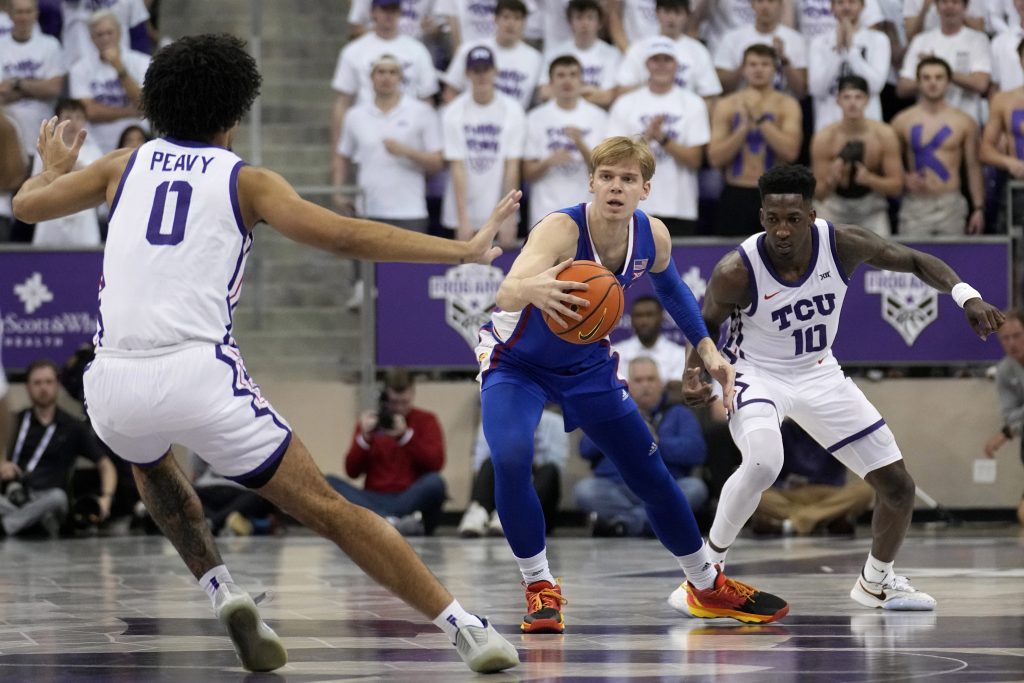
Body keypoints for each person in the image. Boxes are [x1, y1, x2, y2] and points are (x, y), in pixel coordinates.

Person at [12, 34, 520, 674]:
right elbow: (342, 236)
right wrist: (461, 250)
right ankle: (465, 627)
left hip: (109, 381)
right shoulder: (246, 181)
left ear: (158, 106)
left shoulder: (123, 164)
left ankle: (222, 592)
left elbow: (27, 204)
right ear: (234, 115)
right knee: (329, 510)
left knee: (152, 465)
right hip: (198, 372)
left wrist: (54, 166)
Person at [476, 135, 789, 635]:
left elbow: (674, 290)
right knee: (511, 459)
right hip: (518, 363)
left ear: (645, 189)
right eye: (606, 177)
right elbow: (508, 288)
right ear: (592, 183)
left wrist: (708, 351)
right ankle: (540, 587)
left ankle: (705, 586)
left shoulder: (653, 236)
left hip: (586, 366)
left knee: (651, 472)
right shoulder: (561, 228)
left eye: (627, 179)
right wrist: (532, 287)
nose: (615, 188)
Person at [676, 164, 1003, 614]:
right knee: (763, 462)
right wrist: (693, 370)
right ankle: (705, 576)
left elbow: (912, 260)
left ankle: (876, 581)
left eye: (792, 218)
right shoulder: (737, 268)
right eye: (772, 219)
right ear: (762, 217)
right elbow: (704, 323)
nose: (782, 230)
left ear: (811, 215)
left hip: (820, 372)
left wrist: (967, 296)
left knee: (898, 486)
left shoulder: (843, 243)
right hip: (757, 373)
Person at [575, 356, 709, 536]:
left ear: (661, 383)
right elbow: (585, 450)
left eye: (650, 379)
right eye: (638, 380)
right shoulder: (611, 412)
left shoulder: (678, 413)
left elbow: (696, 451)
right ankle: (651, 523)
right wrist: (614, 423)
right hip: (618, 489)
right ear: (627, 384)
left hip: (665, 487)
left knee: (696, 488)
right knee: (585, 490)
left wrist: (655, 443)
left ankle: (624, 524)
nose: (645, 385)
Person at [1, 359, 118, 538]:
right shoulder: (16, 421)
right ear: (28, 387)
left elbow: (106, 465)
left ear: (57, 385)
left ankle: (7, 526)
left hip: (50, 501)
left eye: (48, 382)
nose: (43, 388)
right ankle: (27, 524)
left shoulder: (73, 427)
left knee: (58, 497)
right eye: (37, 383)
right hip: (15, 498)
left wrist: (106, 498)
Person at [607, 39, 710, 236]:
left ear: (676, 65)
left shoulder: (693, 103)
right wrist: (646, 138)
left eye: (667, 60)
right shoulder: (625, 104)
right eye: (656, 60)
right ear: (647, 65)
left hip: (679, 206)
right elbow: (612, 159)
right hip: (634, 206)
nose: (661, 65)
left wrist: (662, 138)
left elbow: (695, 159)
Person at [327, 369, 447, 536]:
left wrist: (405, 437)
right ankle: (391, 521)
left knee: (435, 482)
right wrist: (365, 438)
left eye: (404, 402)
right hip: (373, 496)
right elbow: (352, 471)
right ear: (385, 398)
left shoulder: (427, 420)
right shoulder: (372, 423)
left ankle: (380, 521)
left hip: (409, 496)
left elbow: (436, 463)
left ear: (412, 393)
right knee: (328, 482)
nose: (399, 408)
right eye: (394, 402)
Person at [332, 54, 442, 231]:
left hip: (410, 211)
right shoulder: (355, 115)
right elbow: (342, 155)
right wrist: (338, 192)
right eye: (381, 72)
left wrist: (407, 152)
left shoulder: (422, 112)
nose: (386, 77)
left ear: (400, 78)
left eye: (392, 72)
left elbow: (437, 162)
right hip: (368, 210)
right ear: (371, 77)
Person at [708, 43, 801, 237]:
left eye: (765, 64)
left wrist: (760, 118)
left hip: (774, 194)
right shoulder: (727, 105)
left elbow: (790, 152)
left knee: (778, 258)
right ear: (743, 69)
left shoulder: (787, 104)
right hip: (736, 192)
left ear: (775, 69)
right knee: (732, 261)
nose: (758, 69)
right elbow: (715, 158)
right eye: (752, 64)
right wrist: (742, 129)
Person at [441, 45, 524, 246]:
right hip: (462, 210)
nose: (481, 76)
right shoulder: (453, 111)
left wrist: (508, 216)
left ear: (495, 71)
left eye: (486, 70)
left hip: (499, 205)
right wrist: (463, 219)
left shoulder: (513, 110)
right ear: (467, 73)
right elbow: (457, 166)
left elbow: (511, 166)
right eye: (476, 71)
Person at [891, 56, 983, 236]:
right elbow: (889, 162)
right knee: (908, 262)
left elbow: (973, 167)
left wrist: (978, 208)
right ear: (918, 82)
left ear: (949, 82)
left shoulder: (964, 122)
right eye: (926, 78)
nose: (933, 83)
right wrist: (904, 178)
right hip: (915, 205)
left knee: (951, 263)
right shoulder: (901, 121)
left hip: (951, 205)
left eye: (939, 77)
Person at [329, 0, 438, 153]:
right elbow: (342, 101)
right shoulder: (354, 51)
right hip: (366, 132)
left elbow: (427, 99)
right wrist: (337, 147)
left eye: (393, 9)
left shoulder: (417, 50)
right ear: (373, 12)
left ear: (400, 12)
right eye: (384, 9)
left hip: (408, 133)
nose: (388, 15)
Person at [810, 75, 903, 236]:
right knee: (822, 249)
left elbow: (897, 186)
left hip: (872, 206)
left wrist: (870, 179)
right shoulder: (824, 137)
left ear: (867, 100)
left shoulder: (884, 135)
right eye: (847, 97)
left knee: (885, 256)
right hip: (833, 204)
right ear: (838, 100)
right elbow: (818, 194)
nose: (853, 103)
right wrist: (832, 179)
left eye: (858, 97)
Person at [750, 419, 875, 536]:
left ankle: (797, 521)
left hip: (826, 495)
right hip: (790, 494)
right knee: (753, 492)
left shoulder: (834, 432)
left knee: (867, 489)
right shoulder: (781, 430)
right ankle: (820, 519)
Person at [524, 55, 607, 229]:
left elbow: (606, 172)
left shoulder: (599, 117)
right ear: (551, 82)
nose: (567, 80)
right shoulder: (535, 118)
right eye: (561, 75)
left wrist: (581, 144)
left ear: (581, 80)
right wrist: (548, 161)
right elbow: (527, 174)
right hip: (545, 213)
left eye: (573, 74)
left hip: (587, 214)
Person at [459, 404, 566, 537]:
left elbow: (557, 466)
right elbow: (478, 465)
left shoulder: (555, 423)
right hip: (502, 489)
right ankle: (480, 512)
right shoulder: (493, 419)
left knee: (550, 470)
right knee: (491, 461)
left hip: (534, 494)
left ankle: (514, 515)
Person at [68, 10, 150, 153]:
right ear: (92, 38)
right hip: (97, 145)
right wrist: (131, 112)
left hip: (135, 143)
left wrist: (119, 68)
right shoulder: (79, 68)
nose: (105, 38)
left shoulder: (142, 62)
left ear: (119, 33)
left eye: (109, 33)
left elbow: (143, 104)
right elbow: (89, 111)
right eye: (99, 34)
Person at [896, 0, 990, 122]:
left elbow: (980, 84)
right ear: (936, 6)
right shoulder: (920, 41)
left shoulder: (978, 40)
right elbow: (902, 88)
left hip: (966, 119)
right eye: (944, 2)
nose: (949, 7)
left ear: (965, 7)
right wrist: (929, 78)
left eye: (955, 2)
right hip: (927, 122)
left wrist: (938, 65)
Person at [614, 0, 722, 104]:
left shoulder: (698, 51)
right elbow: (622, 90)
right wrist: (655, 87)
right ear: (657, 13)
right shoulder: (639, 48)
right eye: (667, 12)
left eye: (677, 13)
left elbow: (710, 95)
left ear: (687, 15)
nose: (671, 18)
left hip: (685, 115)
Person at [442, 0, 543, 111]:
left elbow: (542, 97)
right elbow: (450, 92)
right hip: (472, 120)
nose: (511, 24)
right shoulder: (470, 49)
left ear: (524, 22)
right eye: (506, 17)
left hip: (513, 124)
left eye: (517, 18)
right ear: (495, 19)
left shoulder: (535, 59)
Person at [806, 0, 890, 132]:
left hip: (868, 123)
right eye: (840, 3)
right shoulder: (819, 42)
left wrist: (851, 50)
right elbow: (817, 89)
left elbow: (875, 86)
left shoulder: (878, 39)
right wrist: (838, 53)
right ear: (832, 7)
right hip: (828, 124)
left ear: (862, 6)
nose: (846, 7)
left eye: (852, 2)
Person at [30, 98, 103, 246]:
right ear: (57, 122)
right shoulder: (45, 147)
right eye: (68, 117)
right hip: (50, 216)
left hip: (83, 218)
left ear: (85, 122)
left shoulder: (94, 151)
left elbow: (98, 184)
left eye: (78, 117)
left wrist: (67, 163)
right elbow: (36, 184)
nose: (73, 123)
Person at [0, 0, 66, 155]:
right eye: (19, 12)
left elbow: (54, 89)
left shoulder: (50, 45)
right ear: (9, 14)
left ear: (36, 14)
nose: (24, 17)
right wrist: (38, 88)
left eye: (28, 12)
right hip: (8, 128)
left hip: (43, 125)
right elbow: (1, 93)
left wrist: (17, 83)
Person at [714, 0, 808, 98]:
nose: (765, 6)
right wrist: (745, 65)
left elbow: (801, 91)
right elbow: (722, 87)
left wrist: (784, 60)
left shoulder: (796, 40)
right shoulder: (732, 38)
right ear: (752, 5)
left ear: (781, 5)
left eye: (771, 2)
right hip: (740, 106)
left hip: (782, 107)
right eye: (760, 1)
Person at [982, 310, 1024, 526]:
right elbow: (1009, 415)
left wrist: (1006, 433)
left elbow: (1013, 422)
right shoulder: (1005, 370)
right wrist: (1009, 429)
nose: (1012, 343)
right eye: (1005, 338)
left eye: (1017, 336)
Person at [538, 0, 620, 108]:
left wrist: (566, 93)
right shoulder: (554, 53)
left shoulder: (612, 54)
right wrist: (588, 90)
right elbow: (545, 92)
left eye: (590, 18)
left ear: (599, 23)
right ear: (570, 23)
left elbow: (607, 97)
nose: (584, 24)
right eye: (579, 18)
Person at [614, 295, 687, 387]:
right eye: (639, 316)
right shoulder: (617, 354)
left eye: (650, 315)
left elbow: (676, 391)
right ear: (631, 319)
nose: (644, 321)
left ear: (661, 317)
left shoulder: (678, 355)